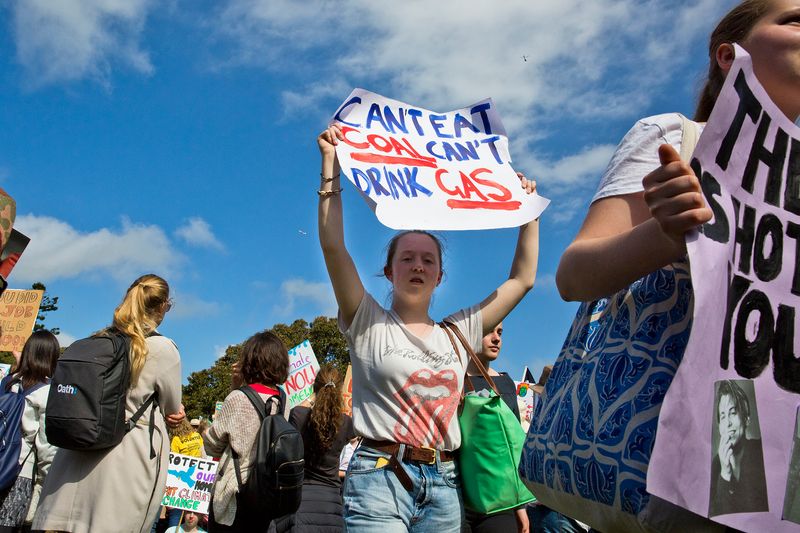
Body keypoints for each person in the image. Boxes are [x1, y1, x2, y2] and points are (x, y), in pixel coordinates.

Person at [551, 0, 800, 524]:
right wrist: (665, 236)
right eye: (796, 19)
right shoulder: (675, 136)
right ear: (730, 57)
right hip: (680, 457)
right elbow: (574, 275)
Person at [317, 123, 540, 532]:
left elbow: (522, 280)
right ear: (388, 271)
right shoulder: (366, 319)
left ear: (440, 276)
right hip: (378, 478)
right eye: (407, 258)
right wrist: (330, 165)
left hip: (444, 484)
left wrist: (528, 214)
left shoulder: (459, 332)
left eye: (428, 260)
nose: (418, 265)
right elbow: (333, 246)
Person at [33, 274, 183, 533]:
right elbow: (172, 406)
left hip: (71, 458)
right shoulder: (161, 348)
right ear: (162, 307)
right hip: (123, 458)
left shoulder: (97, 340)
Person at [203, 330, 290, 531]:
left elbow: (212, 445)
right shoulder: (284, 400)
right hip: (268, 493)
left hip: (236, 495)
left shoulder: (238, 398)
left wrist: (234, 390)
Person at [273, 366, 355, 532]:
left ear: (315, 388)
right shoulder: (346, 423)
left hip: (300, 503)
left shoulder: (298, 415)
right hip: (332, 506)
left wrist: (313, 397)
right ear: (339, 391)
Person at [464, 322, 529, 533]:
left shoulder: (506, 383)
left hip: (498, 501)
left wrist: (519, 506)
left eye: (500, 332)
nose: (496, 338)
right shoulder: (454, 379)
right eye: (489, 331)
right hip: (456, 497)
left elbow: (511, 448)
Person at [0, 330, 60, 532]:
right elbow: (45, 446)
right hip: (19, 471)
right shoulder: (47, 391)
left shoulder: (7, 382)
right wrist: (46, 483)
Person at [709, 380, 768, 516]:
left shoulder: (761, 451)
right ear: (719, 427)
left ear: (746, 419)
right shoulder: (716, 466)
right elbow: (717, 517)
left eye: (733, 413)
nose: (728, 422)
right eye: (723, 416)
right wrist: (725, 472)